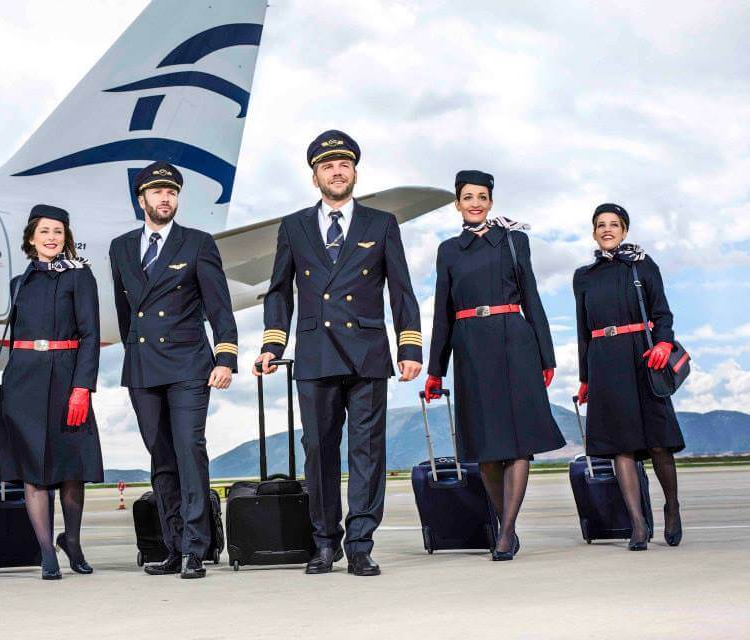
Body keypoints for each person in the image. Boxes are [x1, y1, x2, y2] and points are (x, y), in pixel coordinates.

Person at [253, 130, 422, 577]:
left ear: (354, 173)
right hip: (315, 353)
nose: (336, 171)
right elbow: (278, 293)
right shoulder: (293, 226)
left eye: (343, 165)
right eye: (327, 166)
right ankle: (325, 543)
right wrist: (273, 343)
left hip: (367, 352)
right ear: (315, 177)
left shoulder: (381, 223)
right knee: (319, 452)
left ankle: (361, 543)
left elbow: (401, 291)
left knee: (367, 452)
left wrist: (410, 346)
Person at [424, 170, 564, 561]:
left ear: (490, 201)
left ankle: (506, 534)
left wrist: (546, 355)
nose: (475, 203)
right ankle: (506, 525)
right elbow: (442, 313)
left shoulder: (515, 241)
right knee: (485, 448)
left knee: (519, 442)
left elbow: (532, 298)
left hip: (514, 341)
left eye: (482, 197)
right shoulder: (448, 250)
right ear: (457, 203)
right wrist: (437, 368)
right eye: (467, 197)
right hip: (470, 346)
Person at [110, 161, 238, 580]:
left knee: (189, 451)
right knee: (161, 460)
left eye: (172, 192)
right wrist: (132, 351)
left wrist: (225, 357)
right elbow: (126, 310)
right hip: (143, 367)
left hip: (188, 365)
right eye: (158, 192)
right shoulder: (121, 248)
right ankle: (174, 545)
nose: (166, 198)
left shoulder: (198, 243)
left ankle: (197, 549)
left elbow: (220, 305)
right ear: (141, 198)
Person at [0, 204, 104, 579]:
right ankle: (46, 551)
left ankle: (71, 541)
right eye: (44, 231)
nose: (51, 238)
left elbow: (91, 335)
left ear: (66, 238)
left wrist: (82, 387)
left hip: (66, 375)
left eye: (58, 231)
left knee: (71, 468)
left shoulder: (80, 277)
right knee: (33, 471)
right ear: (31, 238)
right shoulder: (18, 283)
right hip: (23, 380)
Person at [573, 203, 685, 550]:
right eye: (601, 225)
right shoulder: (584, 276)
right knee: (620, 446)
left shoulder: (642, 265)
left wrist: (664, 343)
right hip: (604, 361)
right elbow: (582, 331)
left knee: (657, 441)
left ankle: (672, 506)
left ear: (624, 230)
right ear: (594, 232)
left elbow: (662, 312)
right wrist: (586, 377)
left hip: (642, 357)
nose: (607, 230)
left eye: (614, 224)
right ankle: (637, 524)